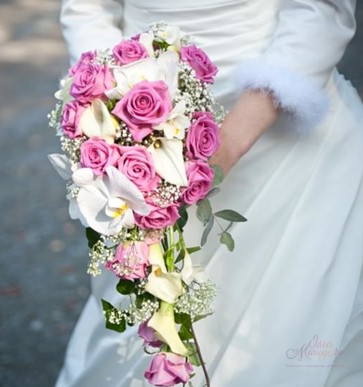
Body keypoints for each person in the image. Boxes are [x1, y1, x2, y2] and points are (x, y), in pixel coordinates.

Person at [56, 1, 363, 386]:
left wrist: (225, 147)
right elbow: (87, 9)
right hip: (135, 133)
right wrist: (109, 107)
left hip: (279, 128)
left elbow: (320, 11)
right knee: (145, 315)